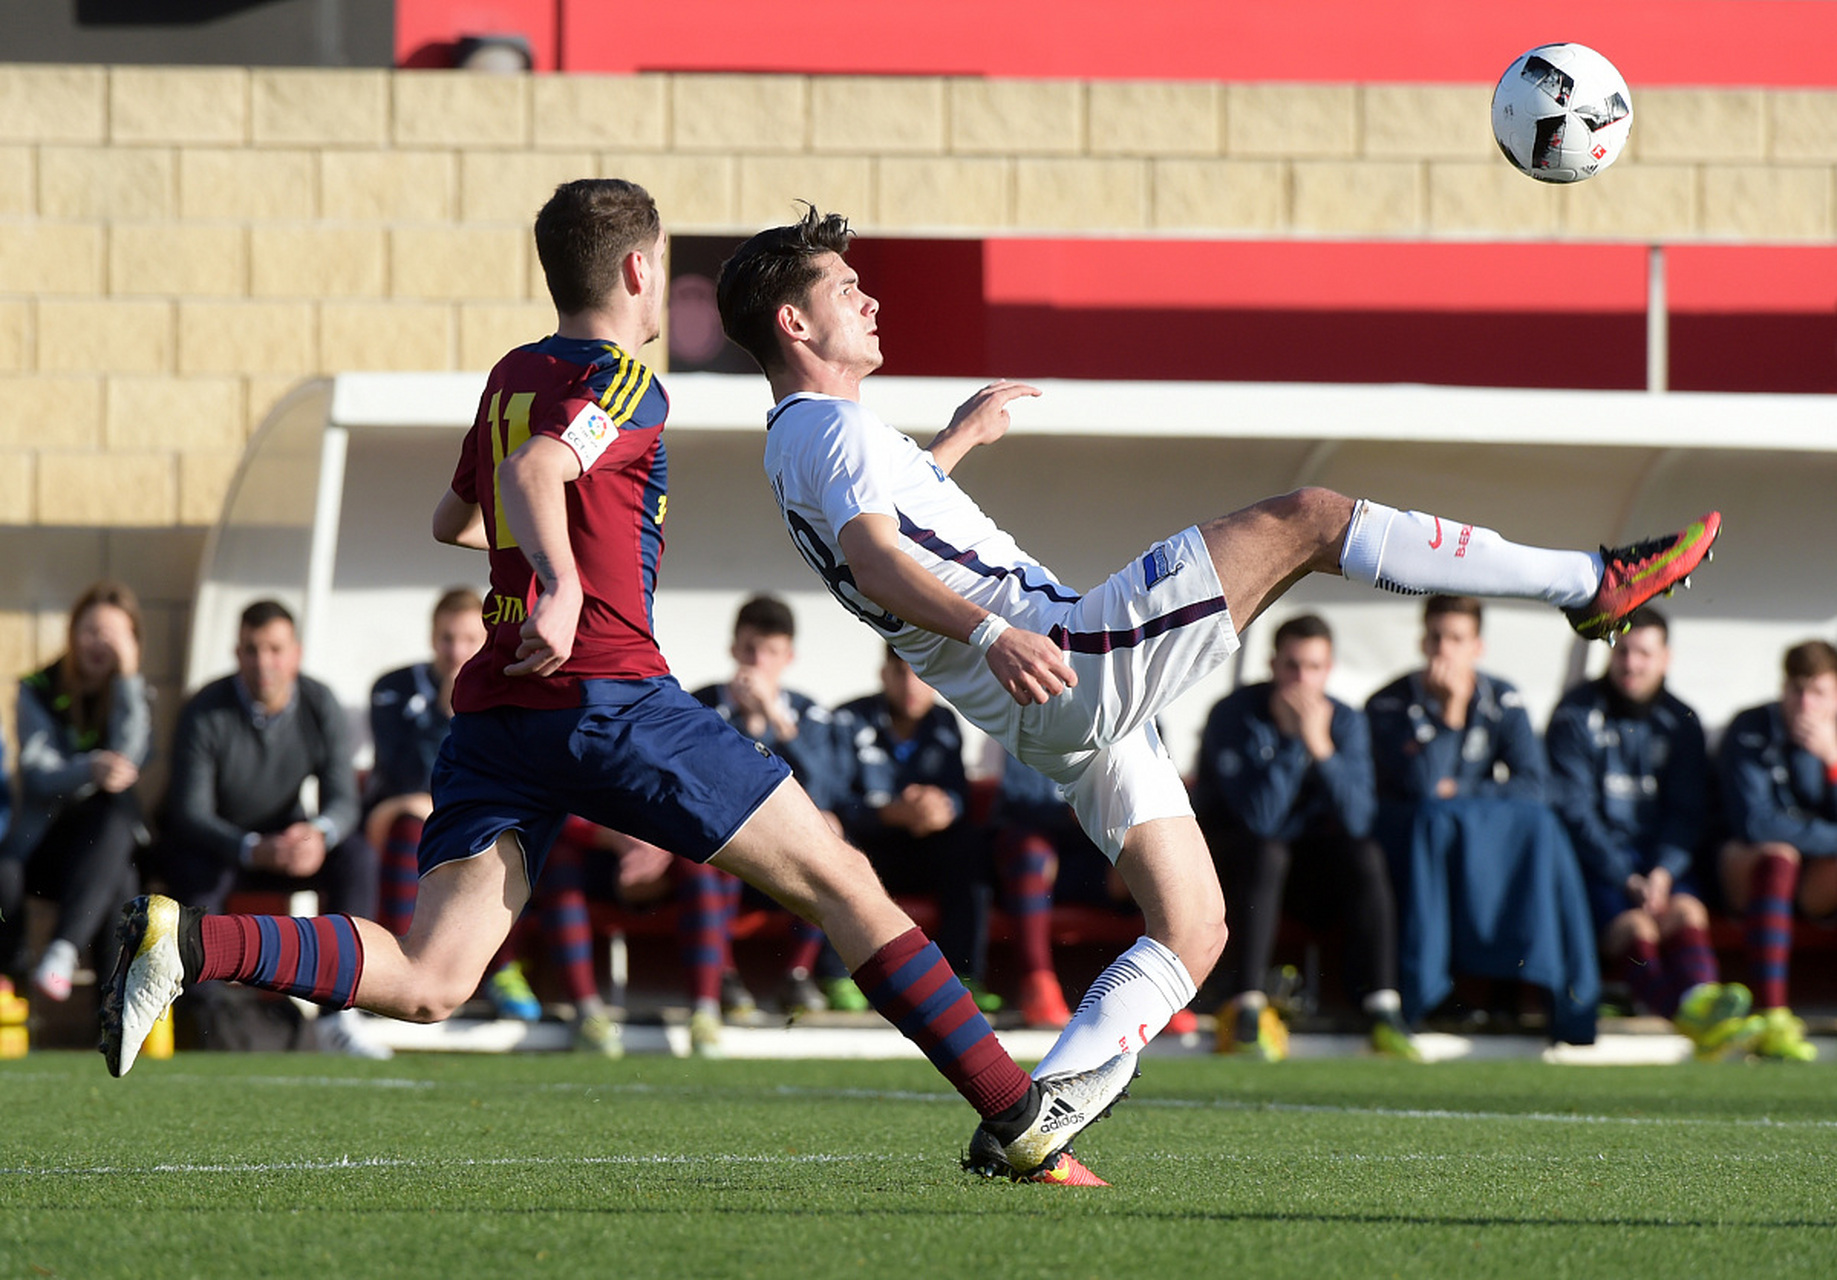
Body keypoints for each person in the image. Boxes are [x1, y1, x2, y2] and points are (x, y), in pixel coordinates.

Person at [102, 178, 1121, 1189]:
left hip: (500, 716)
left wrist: (544, 546)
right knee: (844, 881)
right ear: (639, 269)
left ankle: (185, 939)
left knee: (432, 978)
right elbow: (531, 476)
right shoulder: (627, 381)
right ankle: (1020, 1120)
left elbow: (455, 517)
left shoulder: (513, 373)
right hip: (607, 700)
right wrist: (557, 579)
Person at [712, 206, 1707, 1169]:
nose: (870, 299)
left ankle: (1035, 1114)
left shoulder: (806, 438)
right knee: (1308, 517)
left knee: (1194, 924)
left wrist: (960, 442)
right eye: (845, 288)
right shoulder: (827, 434)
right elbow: (878, 560)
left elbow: (888, 528)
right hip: (1062, 652)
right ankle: (1590, 580)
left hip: (1042, 704)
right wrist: (992, 626)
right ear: (794, 323)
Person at [367, 587, 621, 1055]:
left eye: (468, 639)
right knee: (414, 827)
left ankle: (530, 981)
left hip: (481, 820)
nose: (456, 650)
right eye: (447, 638)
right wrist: (445, 713)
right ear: (432, 637)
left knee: (533, 846)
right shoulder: (395, 687)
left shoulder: (506, 683)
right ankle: (401, 967)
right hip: (400, 817)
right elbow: (401, 774)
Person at [157, 598, 390, 1059]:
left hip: (287, 842)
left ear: (295, 653)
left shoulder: (320, 702)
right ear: (237, 653)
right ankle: (207, 1018)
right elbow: (189, 810)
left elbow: (344, 797)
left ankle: (339, 1014)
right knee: (198, 873)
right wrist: (247, 847)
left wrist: (319, 835)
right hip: (219, 847)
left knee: (357, 857)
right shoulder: (205, 708)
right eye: (252, 649)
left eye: (275, 648)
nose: (264, 661)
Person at [1366, 595, 1597, 1043]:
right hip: (1407, 838)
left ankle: (1542, 988)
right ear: (1422, 641)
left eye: (1456, 639)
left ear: (1477, 647)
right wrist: (1451, 714)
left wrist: (1466, 790)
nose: (1443, 650)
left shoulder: (1502, 696)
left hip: (1475, 833)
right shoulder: (1390, 703)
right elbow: (1425, 787)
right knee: (1435, 821)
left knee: (1541, 826)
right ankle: (1431, 990)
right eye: (1435, 638)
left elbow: (1534, 783)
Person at [1192, 613, 1415, 1062]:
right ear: (1273, 665)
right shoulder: (1235, 715)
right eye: (1292, 666)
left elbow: (1357, 820)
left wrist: (1323, 750)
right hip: (1238, 874)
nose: (1302, 679)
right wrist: (1297, 742)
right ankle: (1248, 1006)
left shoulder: (1345, 721)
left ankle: (1383, 1008)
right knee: (1268, 852)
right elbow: (1260, 820)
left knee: (1366, 855)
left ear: (1328, 669)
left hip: (1312, 877)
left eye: (1313, 667)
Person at [1544, 607, 1751, 1058]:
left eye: (1643, 652)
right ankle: (1693, 1015)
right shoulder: (1575, 714)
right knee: (1636, 925)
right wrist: (1624, 875)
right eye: (1622, 651)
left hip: (1661, 865)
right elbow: (1575, 811)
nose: (1631, 663)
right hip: (1598, 865)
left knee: (1686, 912)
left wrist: (1662, 871)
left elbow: (1689, 811)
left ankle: (1698, 1004)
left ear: (1665, 658)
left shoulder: (1682, 721)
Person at [685, 593, 845, 1054]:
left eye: (770, 651)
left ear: (788, 657)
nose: (758, 662)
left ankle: (796, 974)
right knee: (708, 841)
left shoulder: (808, 712)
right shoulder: (700, 705)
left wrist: (773, 718)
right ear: (734, 649)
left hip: (784, 859)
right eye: (750, 649)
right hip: (724, 852)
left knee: (831, 832)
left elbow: (826, 790)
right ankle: (724, 975)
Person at [0, 582, 150, 1005]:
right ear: (72, 632)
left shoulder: (132, 694)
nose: (99, 643)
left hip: (98, 847)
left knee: (118, 846)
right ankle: (50, 979)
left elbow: (132, 758)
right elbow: (37, 772)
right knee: (111, 869)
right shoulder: (38, 689)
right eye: (90, 630)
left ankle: (72, 962)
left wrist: (129, 680)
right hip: (42, 844)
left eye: (113, 635)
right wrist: (90, 767)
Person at [833, 647, 997, 1013]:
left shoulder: (944, 722)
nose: (911, 684)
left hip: (924, 850)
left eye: (920, 673)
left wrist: (943, 808)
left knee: (969, 846)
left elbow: (959, 796)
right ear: (884, 674)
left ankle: (964, 976)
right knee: (833, 843)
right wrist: (891, 813)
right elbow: (833, 801)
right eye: (900, 672)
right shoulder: (848, 718)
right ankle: (840, 975)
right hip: (869, 851)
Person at [1713, 639, 1837, 1062]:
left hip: (1817, 881)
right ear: (1782, 687)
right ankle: (1772, 1014)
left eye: (1818, 692)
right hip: (1748, 873)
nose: (1805, 703)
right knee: (1778, 855)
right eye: (1796, 689)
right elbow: (1755, 823)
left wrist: (1832, 761)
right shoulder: (1750, 727)